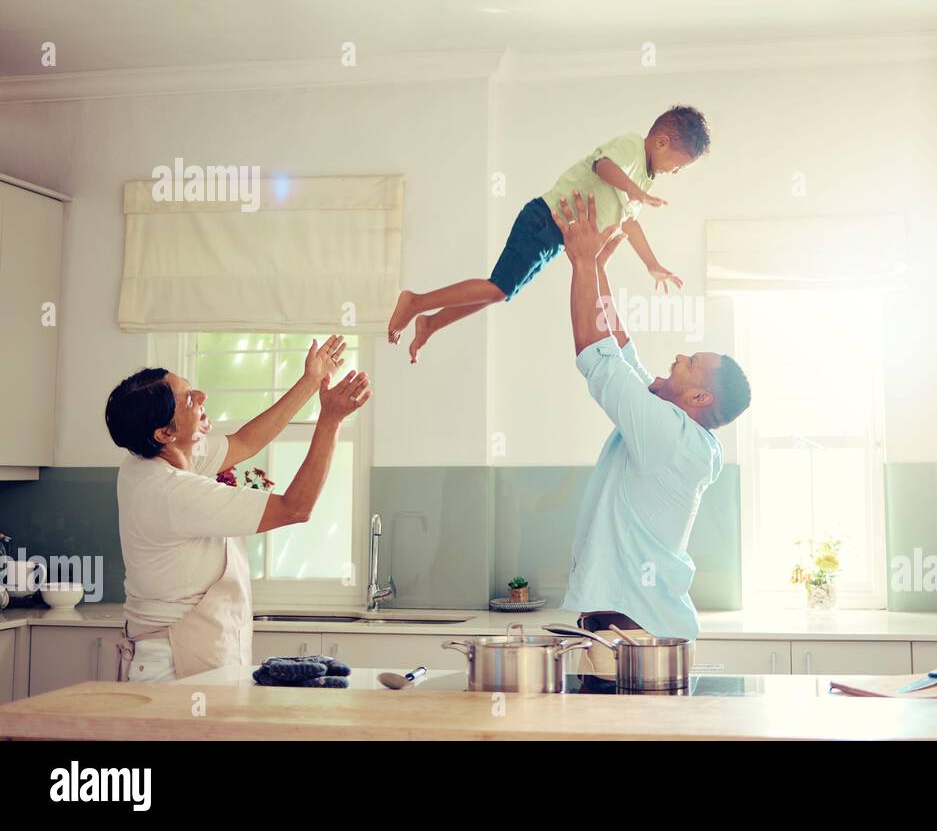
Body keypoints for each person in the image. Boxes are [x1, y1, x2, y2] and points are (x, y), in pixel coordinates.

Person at [550, 190, 751, 678]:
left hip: (630, 638)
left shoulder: (668, 435)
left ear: (700, 399)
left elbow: (595, 355)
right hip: (640, 632)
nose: (679, 356)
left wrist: (579, 260)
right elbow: (618, 343)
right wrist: (595, 265)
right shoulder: (683, 433)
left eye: (691, 363)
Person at [105, 336, 371, 682]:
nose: (201, 397)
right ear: (164, 433)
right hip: (171, 664)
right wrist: (331, 420)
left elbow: (246, 441)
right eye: (188, 399)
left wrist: (310, 381)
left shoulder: (148, 461)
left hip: (187, 650)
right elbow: (295, 508)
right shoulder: (173, 493)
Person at [386, 105, 710, 362]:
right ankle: (417, 303)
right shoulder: (630, 147)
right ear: (662, 142)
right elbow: (603, 167)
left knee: (500, 291)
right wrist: (634, 191)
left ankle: (431, 323)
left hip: (556, 239)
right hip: (544, 219)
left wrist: (652, 264)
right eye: (678, 164)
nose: (676, 172)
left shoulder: (646, 180)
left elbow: (629, 223)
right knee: (499, 288)